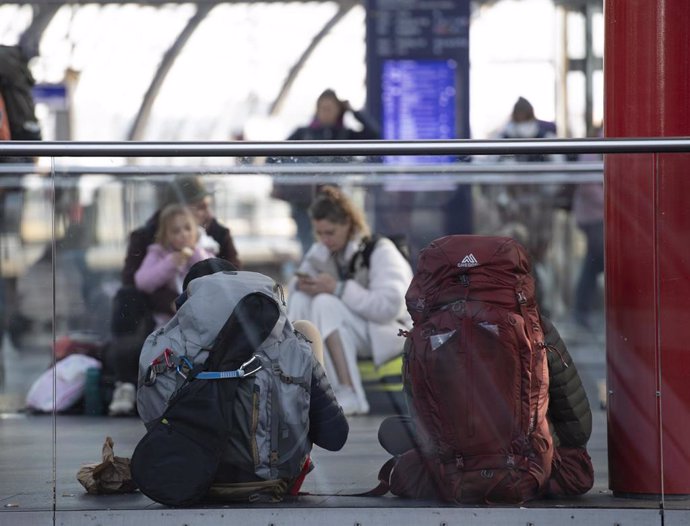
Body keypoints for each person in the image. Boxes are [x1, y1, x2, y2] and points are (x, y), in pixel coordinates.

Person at [377, 315, 594, 500]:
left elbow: (422, 424)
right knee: (573, 468)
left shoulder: (426, 329)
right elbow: (578, 427)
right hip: (528, 469)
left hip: (453, 471)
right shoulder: (534, 324)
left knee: (392, 434)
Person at [107, 175, 241, 416]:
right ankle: (126, 377)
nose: (207, 212)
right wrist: (173, 301)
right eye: (199, 207)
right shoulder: (148, 240)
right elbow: (135, 282)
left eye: (207, 205)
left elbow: (232, 275)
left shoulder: (215, 235)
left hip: (203, 308)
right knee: (125, 298)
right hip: (156, 312)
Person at [286, 186, 413, 416]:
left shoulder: (380, 250)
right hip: (351, 329)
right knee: (303, 299)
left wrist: (339, 289)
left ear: (348, 224)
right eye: (319, 233)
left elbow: (391, 306)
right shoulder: (322, 251)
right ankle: (305, 386)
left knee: (325, 303)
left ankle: (350, 391)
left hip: (387, 331)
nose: (325, 240)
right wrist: (302, 285)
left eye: (330, 232)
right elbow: (297, 293)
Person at [271, 89, 380, 253]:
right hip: (304, 202)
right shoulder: (303, 133)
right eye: (322, 108)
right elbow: (274, 158)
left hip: (333, 201)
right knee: (308, 246)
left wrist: (354, 111)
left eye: (330, 108)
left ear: (338, 111)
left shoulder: (345, 135)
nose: (325, 113)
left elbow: (375, 137)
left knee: (334, 243)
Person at [133, 204, 213, 327]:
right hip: (168, 322)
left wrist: (196, 256)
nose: (184, 234)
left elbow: (214, 275)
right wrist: (169, 264)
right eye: (176, 231)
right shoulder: (159, 253)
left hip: (201, 319)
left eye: (187, 228)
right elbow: (142, 282)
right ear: (166, 235)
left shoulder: (204, 250)